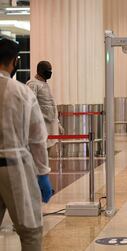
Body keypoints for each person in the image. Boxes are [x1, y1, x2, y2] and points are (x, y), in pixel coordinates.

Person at [0, 38, 53, 251]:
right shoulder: (22, 92)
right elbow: (37, 138)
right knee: (30, 232)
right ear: (15, 61)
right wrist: (43, 173)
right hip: (15, 166)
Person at [27, 61, 63, 152]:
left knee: (46, 157)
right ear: (40, 70)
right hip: (40, 128)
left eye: (50, 70)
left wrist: (57, 123)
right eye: (48, 70)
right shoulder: (33, 84)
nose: (50, 72)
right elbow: (30, 105)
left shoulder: (44, 84)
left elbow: (50, 105)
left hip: (50, 128)